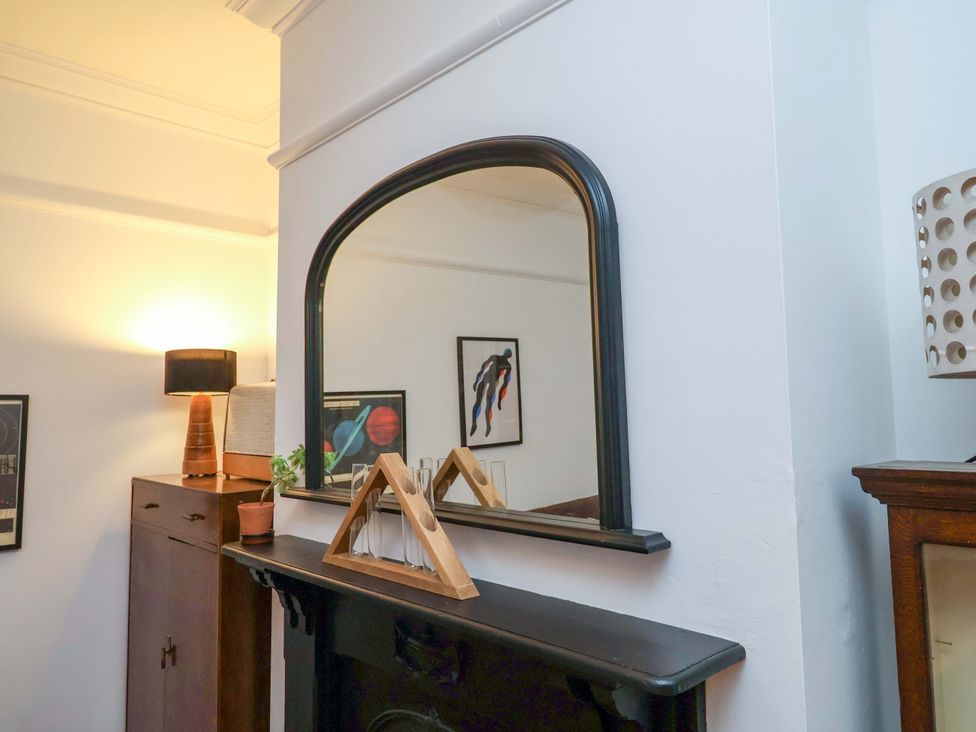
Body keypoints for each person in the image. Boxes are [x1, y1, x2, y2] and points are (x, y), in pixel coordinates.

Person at [470, 348, 513, 438]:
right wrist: (499, 400)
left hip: (487, 379)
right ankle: (483, 425)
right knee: (486, 404)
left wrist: (476, 381)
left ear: (504, 352)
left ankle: (477, 424)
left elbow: (483, 367)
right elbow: (505, 384)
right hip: (492, 381)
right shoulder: (507, 365)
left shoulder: (495, 357)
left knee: (481, 402)